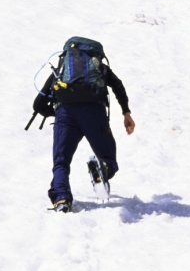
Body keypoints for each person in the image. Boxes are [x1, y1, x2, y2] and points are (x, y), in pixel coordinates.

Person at [35, 37, 135, 213]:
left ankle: (62, 200)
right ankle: (103, 168)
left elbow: (38, 105)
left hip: (65, 114)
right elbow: (118, 86)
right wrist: (126, 112)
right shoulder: (100, 68)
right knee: (108, 156)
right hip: (94, 112)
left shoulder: (61, 71)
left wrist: (57, 113)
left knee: (61, 161)